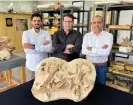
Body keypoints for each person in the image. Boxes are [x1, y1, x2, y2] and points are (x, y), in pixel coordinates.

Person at [82, 15, 113, 85]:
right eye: (94, 22)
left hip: (101, 67)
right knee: (88, 86)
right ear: (91, 24)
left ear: (102, 24)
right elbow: (84, 51)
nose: (96, 24)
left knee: (101, 87)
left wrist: (91, 49)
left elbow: (106, 52)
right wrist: (101, 49)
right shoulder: (87, 36)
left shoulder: (109, 36)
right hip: (89, 66)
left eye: (99, 22)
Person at [22, 13, 53, 81]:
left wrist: (32, 46)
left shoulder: (46, 33)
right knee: (30, 87)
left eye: (39, 21)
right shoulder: (26, 33)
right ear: (31, 22)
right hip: (31, 66)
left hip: (43, 66)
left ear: (41, 22)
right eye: (35, 20)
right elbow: (27, 50)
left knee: (43, 86)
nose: (37, 22)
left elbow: (49, 48)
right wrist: (43, 46)